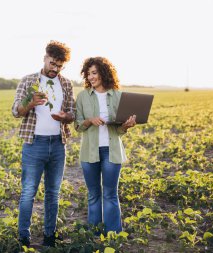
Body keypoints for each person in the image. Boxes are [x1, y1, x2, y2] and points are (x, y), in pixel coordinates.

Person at [11, 40, 75, 248]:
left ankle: (49, 236)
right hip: (34, 144)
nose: (55, 69)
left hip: (58, 144)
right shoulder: (29, 81)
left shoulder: (66, 84)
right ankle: (23, 237)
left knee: (53, 193)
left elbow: (72, 114)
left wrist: (66, 116)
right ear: (45, 58)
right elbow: (15, 112)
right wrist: (31, 102)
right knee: (28, 192)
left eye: (59, 66)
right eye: (52, 63)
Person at [74, 57, 136, 234]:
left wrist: (126, 125)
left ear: (104, 72)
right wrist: (89, 120)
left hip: (112, 151)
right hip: (89, 152)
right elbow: (77, 126)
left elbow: (119, 130)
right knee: (93, 195)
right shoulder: (83, 97)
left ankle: (113, 235)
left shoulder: (117, 95)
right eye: (88, 74)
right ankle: (94, 234)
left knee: (110, 194)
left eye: (94, 73)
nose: (91, 77)